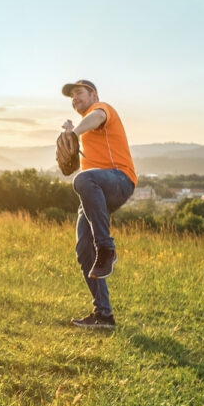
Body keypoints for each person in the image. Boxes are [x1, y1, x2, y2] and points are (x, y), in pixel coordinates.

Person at [60, 79, 137, 330]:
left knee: (83, 179)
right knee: (84, 249)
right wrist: (72, 136)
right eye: (71, 96)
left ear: (93, 94)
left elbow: (97, 117)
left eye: (79, 93)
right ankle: (103, 315)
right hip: (95, 192)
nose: (74, 98)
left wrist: (74, 132)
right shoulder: (84, 127)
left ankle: (106, 248)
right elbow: (72, 165)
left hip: (120, 179)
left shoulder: (102, 109)